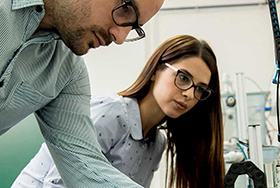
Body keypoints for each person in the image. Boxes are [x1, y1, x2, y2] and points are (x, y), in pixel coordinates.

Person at [0, 0, 183, 186]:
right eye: (126, 7)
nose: (120, 38)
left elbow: (85, 167)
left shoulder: (67, 72)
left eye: (133, 26)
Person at [13, 35, 225, 188]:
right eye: (183, 78)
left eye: (199, 89)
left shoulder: (156, 144)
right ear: (155, 71)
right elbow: (55, 183)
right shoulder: (112, 113)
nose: (189, 94)